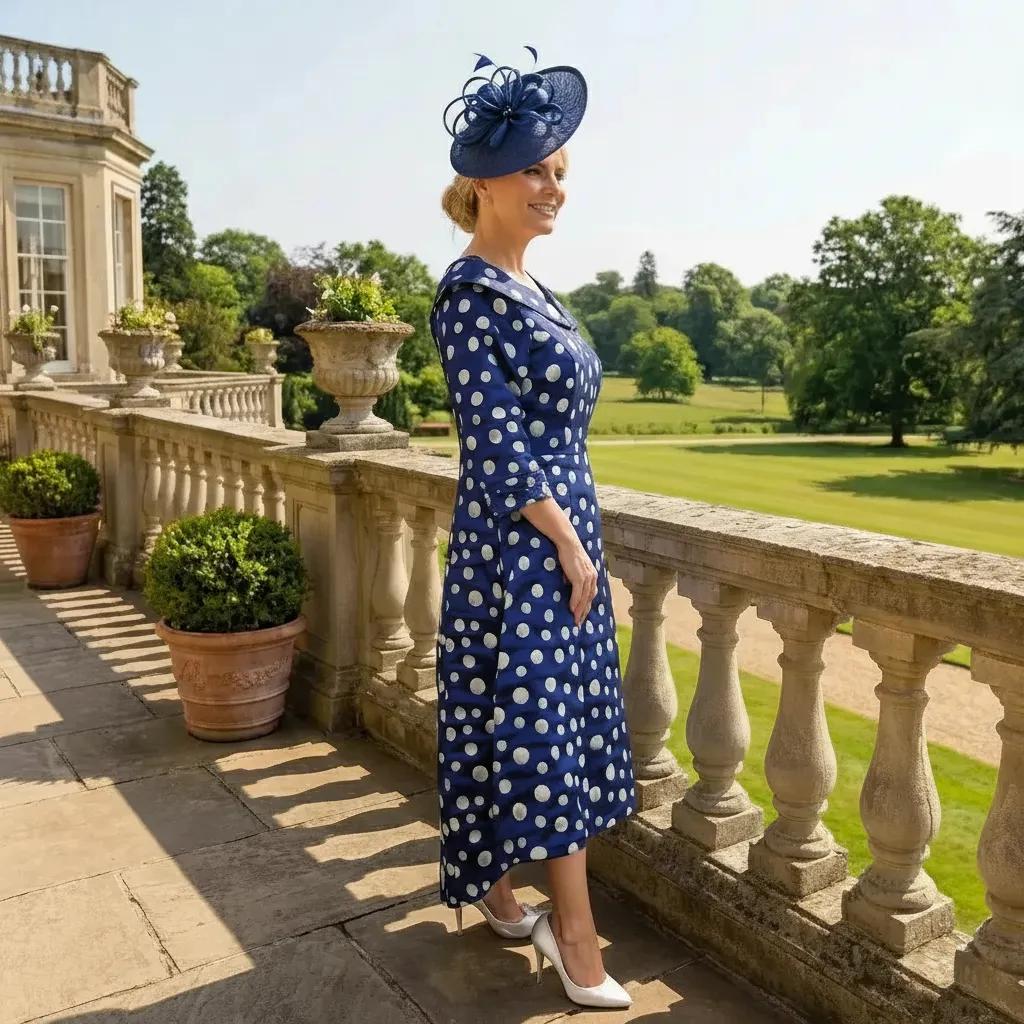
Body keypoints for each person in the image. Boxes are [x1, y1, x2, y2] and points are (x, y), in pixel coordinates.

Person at [429, 46, 636, 1011]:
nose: (552, 186)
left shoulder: (539, 292)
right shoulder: (467, 294)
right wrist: (562, 538)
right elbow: (495, 441)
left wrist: (575, 533)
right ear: (483, 185)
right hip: (522, 543)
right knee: (536, 731)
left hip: (556, 532)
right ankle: (578, 937)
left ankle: (500, 892)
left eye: (559, 170)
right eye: (533, 170)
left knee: (512, 718)